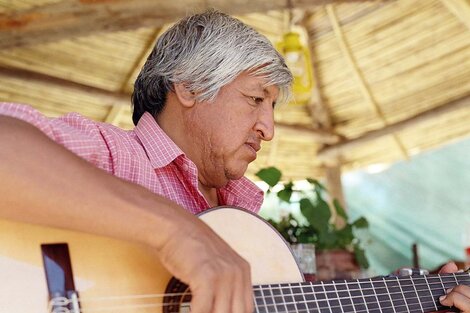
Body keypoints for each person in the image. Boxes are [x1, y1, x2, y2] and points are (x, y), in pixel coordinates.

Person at [0, 9, 469, 313]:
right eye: (254, 100)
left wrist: (411, 299)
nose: (269, 127)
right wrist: (177, 231)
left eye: (272, 108)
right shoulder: (115, 155)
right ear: (187, 87)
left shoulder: (244, 223)